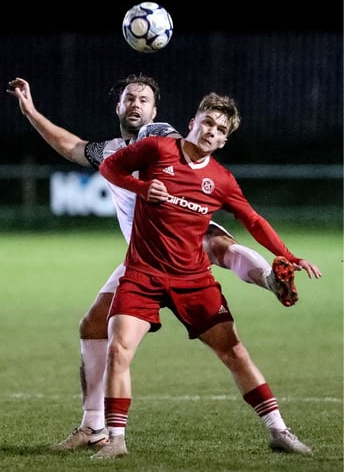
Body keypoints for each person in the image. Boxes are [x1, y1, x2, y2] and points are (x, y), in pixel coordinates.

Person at [6, 75, 299, 450]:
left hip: (184, 239)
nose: (136, 104)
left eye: (144, 99)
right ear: (119, 106)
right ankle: (94, 427)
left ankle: (272, 280)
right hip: (142, 259)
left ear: (155, 111)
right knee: (93, 327)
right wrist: (30, 110)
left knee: (220, 246)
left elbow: (199, 158)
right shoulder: (111, 151)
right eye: (129, 98)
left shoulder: (161, 139)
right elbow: (71, 146)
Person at [92, 92, 321, 458]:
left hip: (193, 280)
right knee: (118, 348)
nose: (211, 131)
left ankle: (279, 430)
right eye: (207, 123)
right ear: (192, 123)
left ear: (224, 139)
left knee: (234, 352)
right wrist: (141, 187)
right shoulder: (156, 149)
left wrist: (288, 256)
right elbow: (109, 168)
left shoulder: (222, 180)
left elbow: (253, 221)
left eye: (219, 129)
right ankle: (116, 440)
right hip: (143, 275)